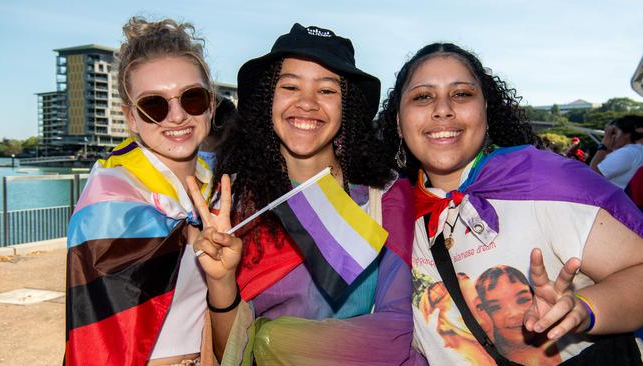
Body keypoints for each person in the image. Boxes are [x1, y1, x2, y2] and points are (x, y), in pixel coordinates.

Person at [379, 42, 643, 365]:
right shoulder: (392, 215)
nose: (443, 108)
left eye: (461, 94)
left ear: (486, 110)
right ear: (397, 120)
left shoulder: (545, 182)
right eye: (422, 96)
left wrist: (586, 308)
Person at [197, 23, 425, 365]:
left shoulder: (386, 195)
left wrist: (272, 339)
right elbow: (228, 353)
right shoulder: (236, 203)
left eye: (327, 91)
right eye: (290, 86)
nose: (307, 103)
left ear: (346, 106)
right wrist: (221, 282)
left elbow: (396, 332)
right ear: (267, 100)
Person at [65, 17, 239, 366]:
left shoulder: (220, 193)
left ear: (210, 104)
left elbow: (230, 335)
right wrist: (189, 235)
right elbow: (100, 342)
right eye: (155, 105)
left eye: (191, 98)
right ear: (131, 117)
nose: (176, 117)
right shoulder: (110, 199)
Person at [590, 115, 643, 188]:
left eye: (613, 133)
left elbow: (592, 174)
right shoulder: (637, 150)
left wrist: (603, 146)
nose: (608, 137)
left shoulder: (627, 152)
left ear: (627, 134)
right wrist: (608, 150)